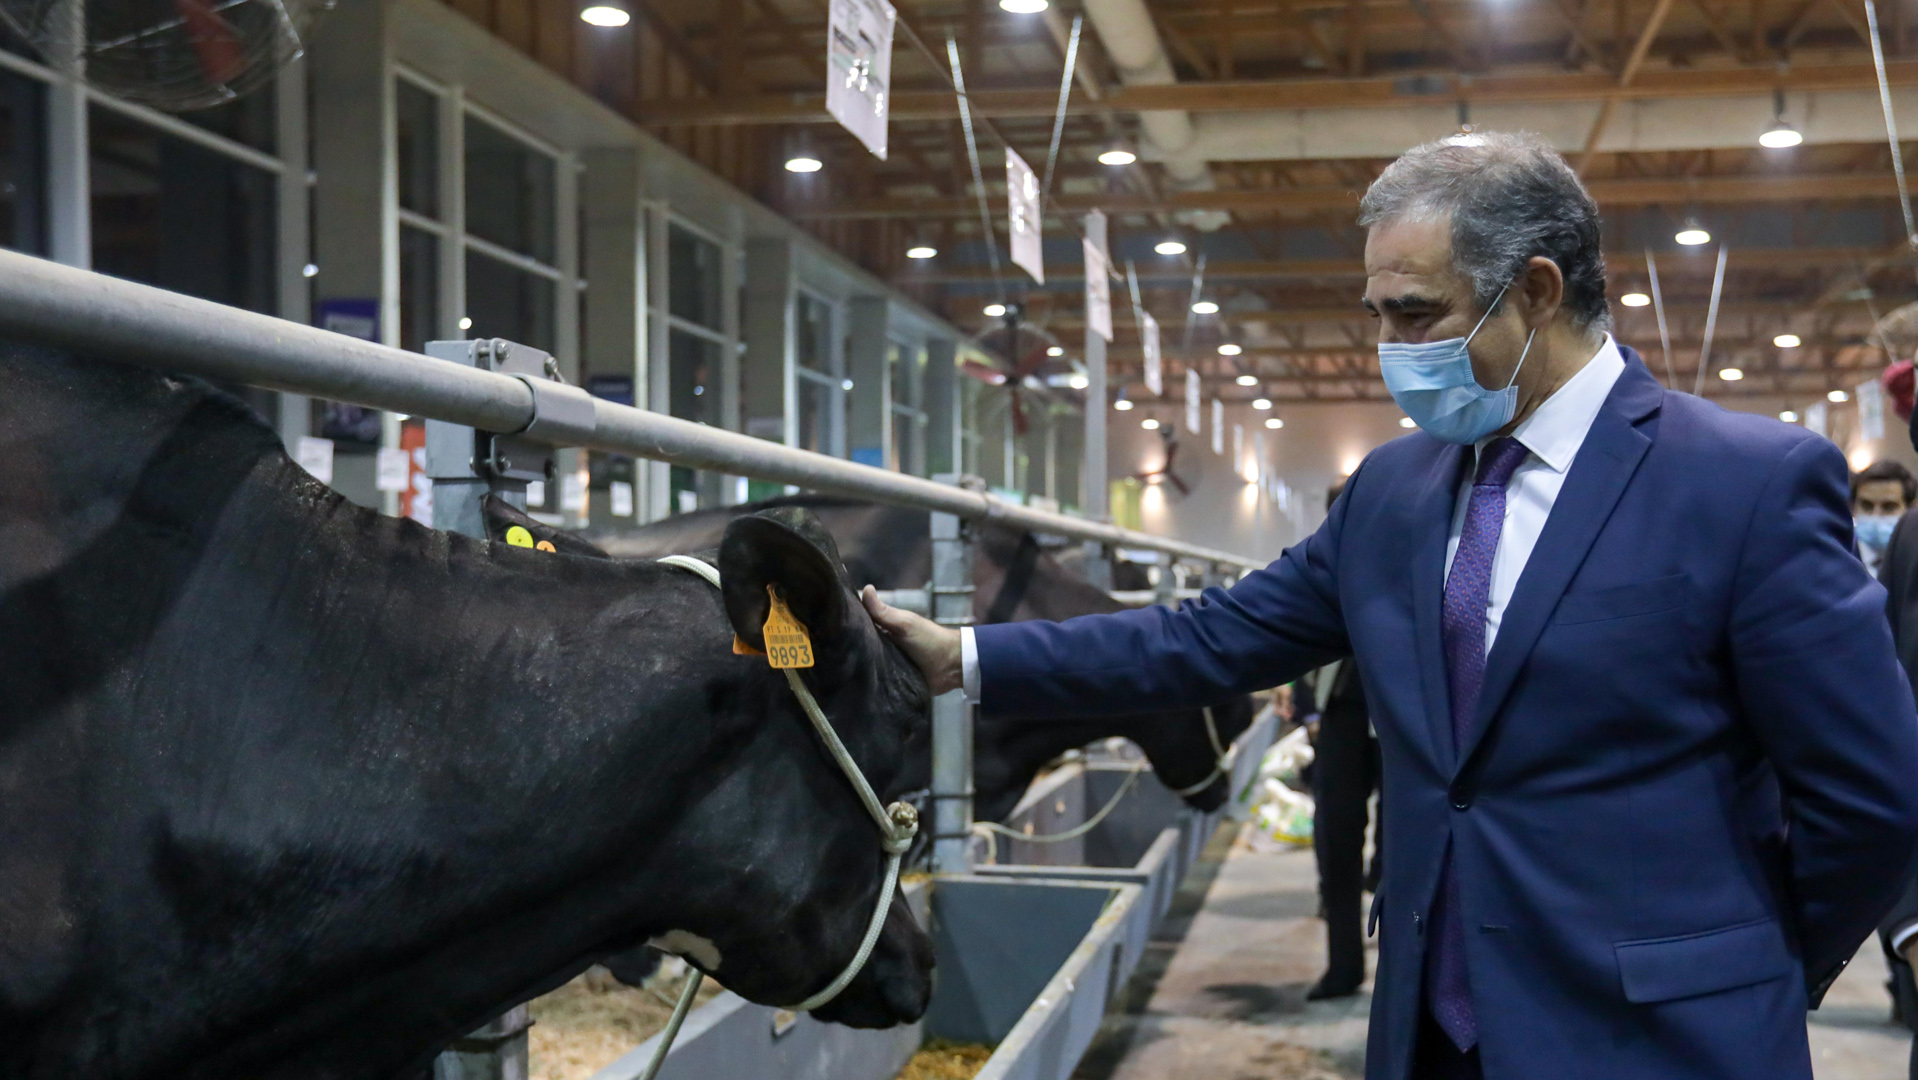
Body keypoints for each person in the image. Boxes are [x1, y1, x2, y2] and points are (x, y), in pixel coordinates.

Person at [863, 132, 1918, 1080]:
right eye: (1376, 314)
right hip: (1432, 1024)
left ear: (1537, 290)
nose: (1389, 347)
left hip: (1655, 1039)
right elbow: (1212, 637)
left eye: (1416, 314)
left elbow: (1870, 794)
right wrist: (966, 657)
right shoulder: (1394, 491)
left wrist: (1753, 962)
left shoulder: (1741, 483)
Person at [1299, 651, 1381, 1001]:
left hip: (1408, 700)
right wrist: (1301, 694)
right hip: (1342, 696)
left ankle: (1405, 974)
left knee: (1403, 847)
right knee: (1335, 837)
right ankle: (1343, 966)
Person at [1854, 460, 1916, 579]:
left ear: (1911, 509)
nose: (1875, 515)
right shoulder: (1837, 558)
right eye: (1867, 505)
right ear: (1853, 507)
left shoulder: (1914, 561)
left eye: (1889, 507)